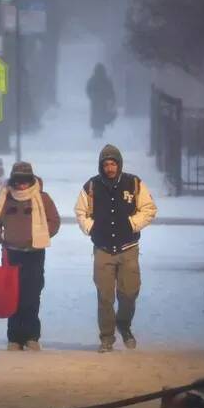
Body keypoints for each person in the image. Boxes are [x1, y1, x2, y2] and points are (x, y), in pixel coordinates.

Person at [74, 144, 157, 353]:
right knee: (105, 296)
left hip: (128, 248)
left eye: (113, 164)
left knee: (129, 292)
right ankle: (107, 337)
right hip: (102, 249)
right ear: (100, 166)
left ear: (119, 164)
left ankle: (124, 323)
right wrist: (91, 228)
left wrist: (132, 224)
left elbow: (149, 209)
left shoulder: (134, 183)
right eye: (106, 164)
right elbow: (80, 211)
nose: (110, 168)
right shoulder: (91, 186)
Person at [0, 162, 61, 352]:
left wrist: (41, 234)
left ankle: (31, 337)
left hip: (35, 253)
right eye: (18, 181)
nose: (21, 185)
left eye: (25, 180)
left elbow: (54, 221)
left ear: (31, 180)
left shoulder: (43, 198)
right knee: (12, 296)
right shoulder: (4, 197)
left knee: (32, 295)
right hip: (11, 254)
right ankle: (14, 338)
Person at [86, 63, 116, 138]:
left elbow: (88, 89)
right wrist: (112, 100)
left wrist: (91, 97)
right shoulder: (106, 79)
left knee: (95, 116)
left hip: (95, 101)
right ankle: (100, 131)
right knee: (102, 116)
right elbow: (111, 91)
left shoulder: (92, 79)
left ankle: (96, 131)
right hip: (103, 101)